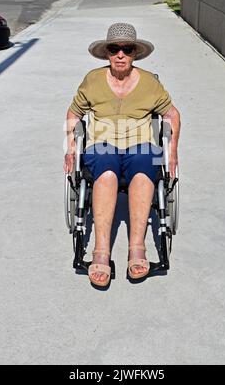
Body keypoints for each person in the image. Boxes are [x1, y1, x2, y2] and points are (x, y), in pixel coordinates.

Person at [64, 23, 181, 287]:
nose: (120, 55)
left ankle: (137, 249)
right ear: (107, 53)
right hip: (102, 143)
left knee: (143, 166)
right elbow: (74, 113)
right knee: (105, 172)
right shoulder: (92, 80)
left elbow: (172, 114)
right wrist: (71, 145)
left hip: (140, 143)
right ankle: (101, 251)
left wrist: (172, 152)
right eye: (114, 49)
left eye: (126, 49)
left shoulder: (150, 83)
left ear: (134, 54)